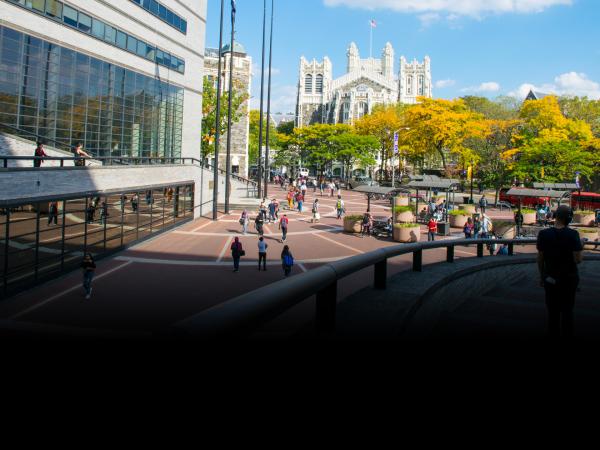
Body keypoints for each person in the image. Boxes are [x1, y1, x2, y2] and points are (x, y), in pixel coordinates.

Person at [536, 205, 583, 339]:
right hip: (569, 279)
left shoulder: (544, 234)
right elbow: (578, 259)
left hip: (550, 278)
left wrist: (541, 276)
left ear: (556, 216)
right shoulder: (573, 235)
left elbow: (540, 258)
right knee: (568, 311)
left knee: (552, 313)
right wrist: (581, 246)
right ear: (569, 219)